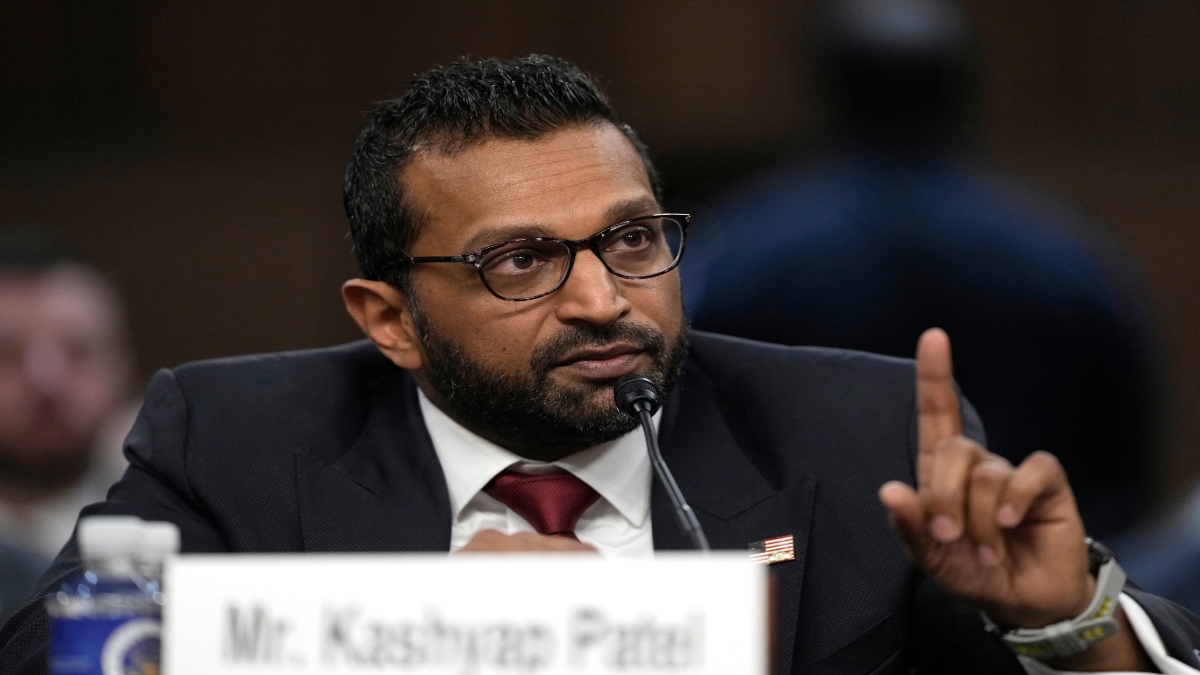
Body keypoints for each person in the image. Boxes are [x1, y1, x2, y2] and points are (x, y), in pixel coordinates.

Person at [2, 56, 1197, 674]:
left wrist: (1072, 626)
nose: (601, 298)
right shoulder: (237, 437)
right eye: (522, 260)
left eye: (632, 240)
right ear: (390, 319)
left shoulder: (855, 434)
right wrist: (432, 633)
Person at [682, 0, 1164, 540]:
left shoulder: (746, 248)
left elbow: (690, 426)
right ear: (966, 86)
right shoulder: (1067, 254)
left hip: (806, 585)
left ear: (827, 84)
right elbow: (1124, 468)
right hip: (1017, 571)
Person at [0, 228, 135, 560]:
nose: (46, 380)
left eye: (78, 350)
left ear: (124, 367)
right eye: (7, 352)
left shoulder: (183, 533)